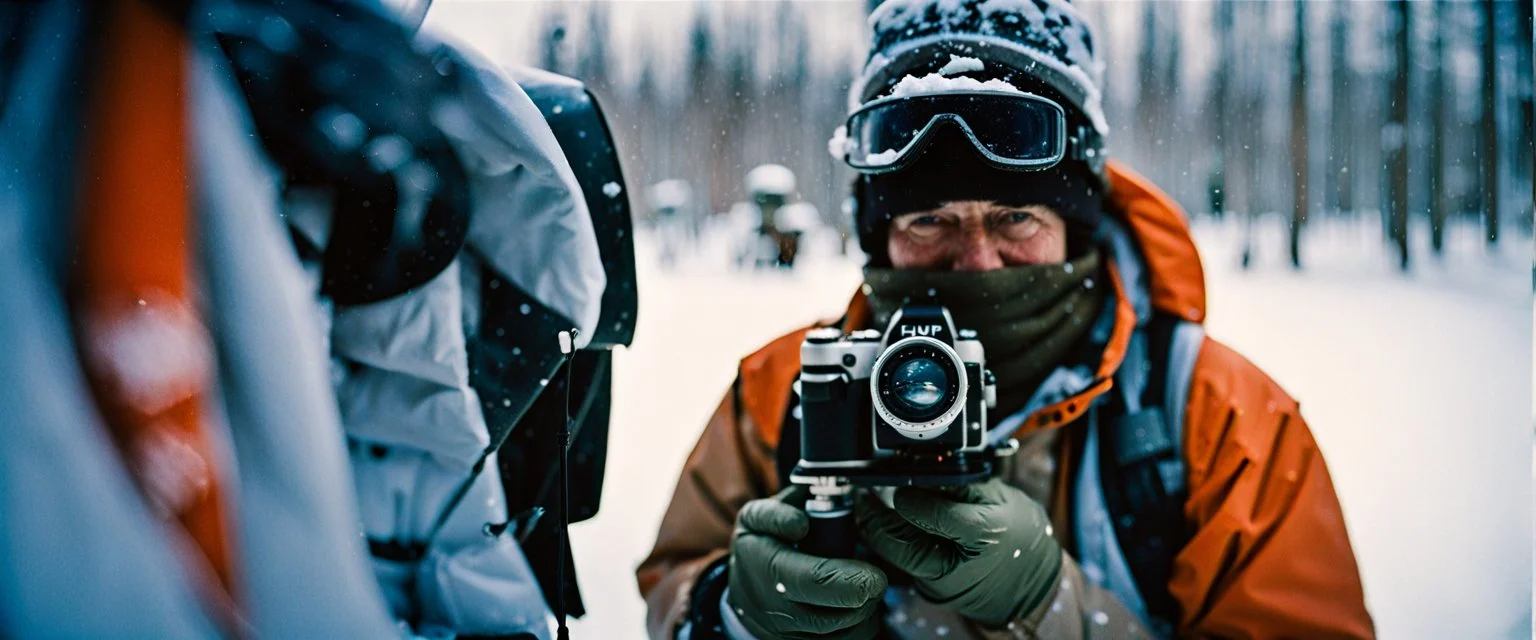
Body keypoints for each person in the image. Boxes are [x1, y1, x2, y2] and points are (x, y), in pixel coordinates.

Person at [636, 1, 1374, 638]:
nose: (977, 264)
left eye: (1015, 216)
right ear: (879, 236)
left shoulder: (1217, 420)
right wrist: (726, 611)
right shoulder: (790, 391)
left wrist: (1053, 606)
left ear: (1075, 226)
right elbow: (675, 578)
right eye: (930, 221)